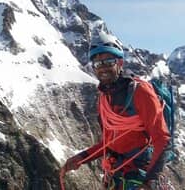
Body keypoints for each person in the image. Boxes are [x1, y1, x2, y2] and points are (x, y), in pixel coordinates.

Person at [61, 31, 173, 190]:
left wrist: (150, 181)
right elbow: (110, 144)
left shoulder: (140, 91)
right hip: (116, 176)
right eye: (98, 64)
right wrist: (82, 157)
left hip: (139, 176)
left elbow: (162, 139)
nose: (103, 68)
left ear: (120, 62)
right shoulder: (104, 98)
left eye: (108, 61)